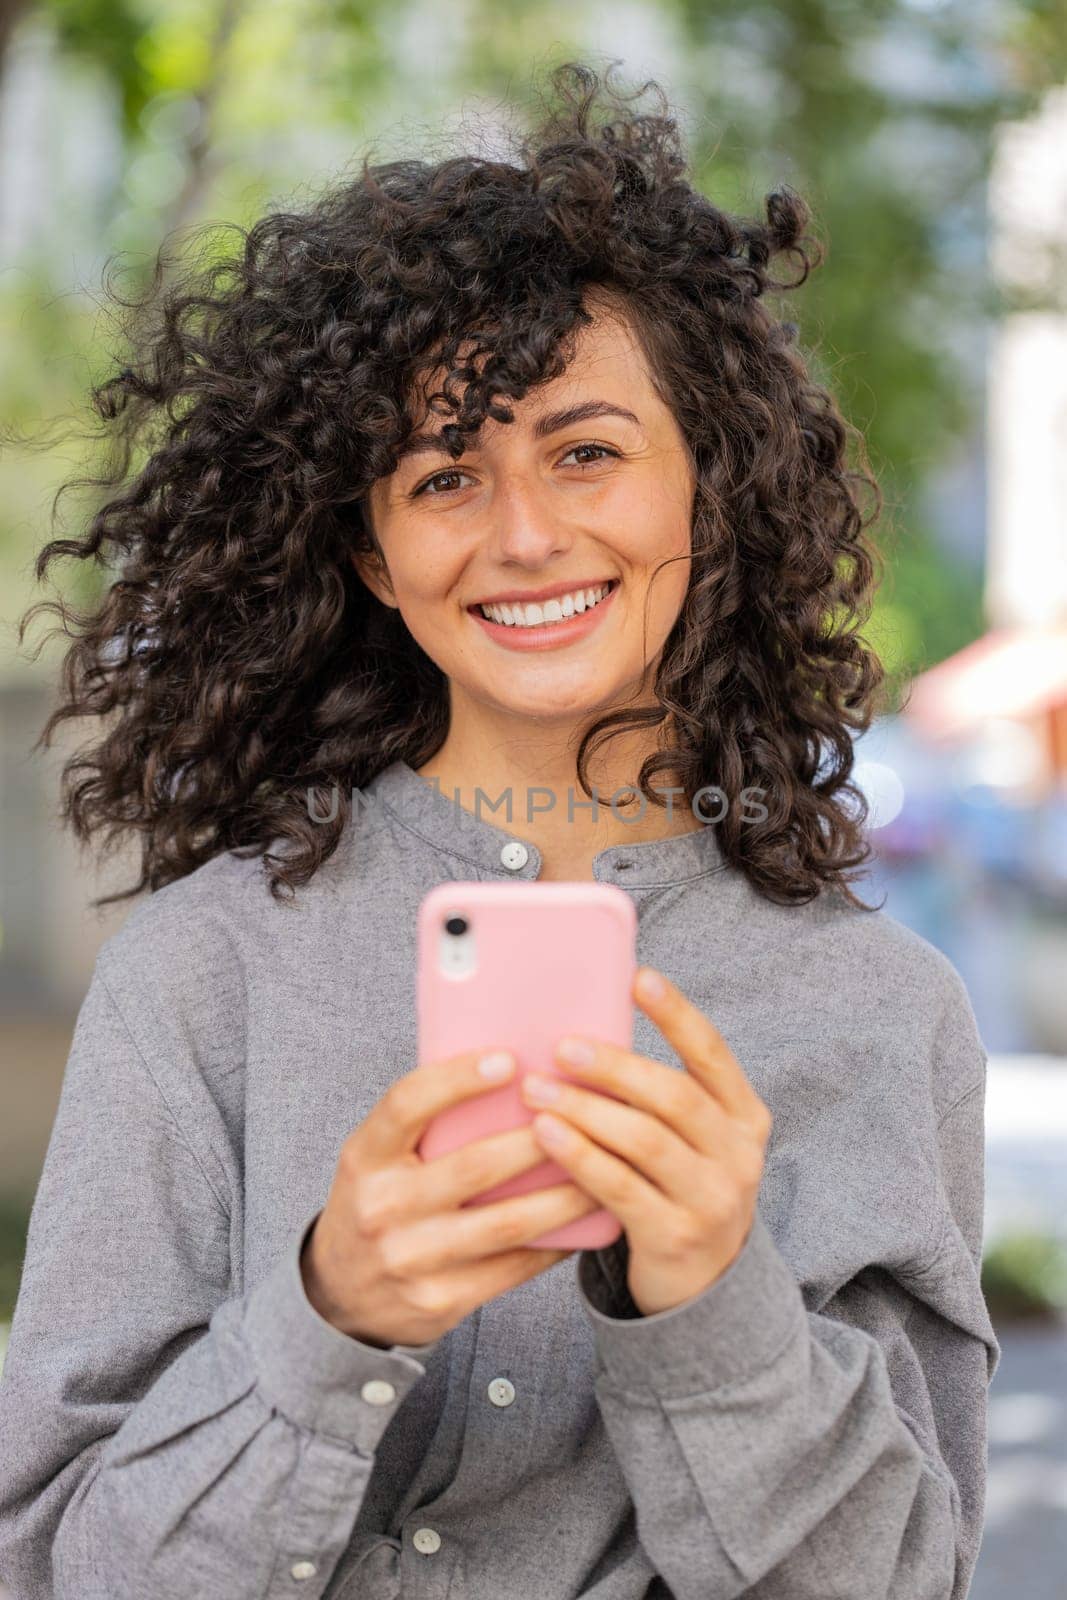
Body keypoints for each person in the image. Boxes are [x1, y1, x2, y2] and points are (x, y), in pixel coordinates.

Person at [0, 61, 999, 1600]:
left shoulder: (881, 1018)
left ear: (710, 491)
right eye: (445, 473)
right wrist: (326, 1317)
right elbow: (51, 1566)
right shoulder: (203, 974)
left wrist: (711, 1309)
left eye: (586, 450)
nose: (525, 532)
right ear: (377, 557)